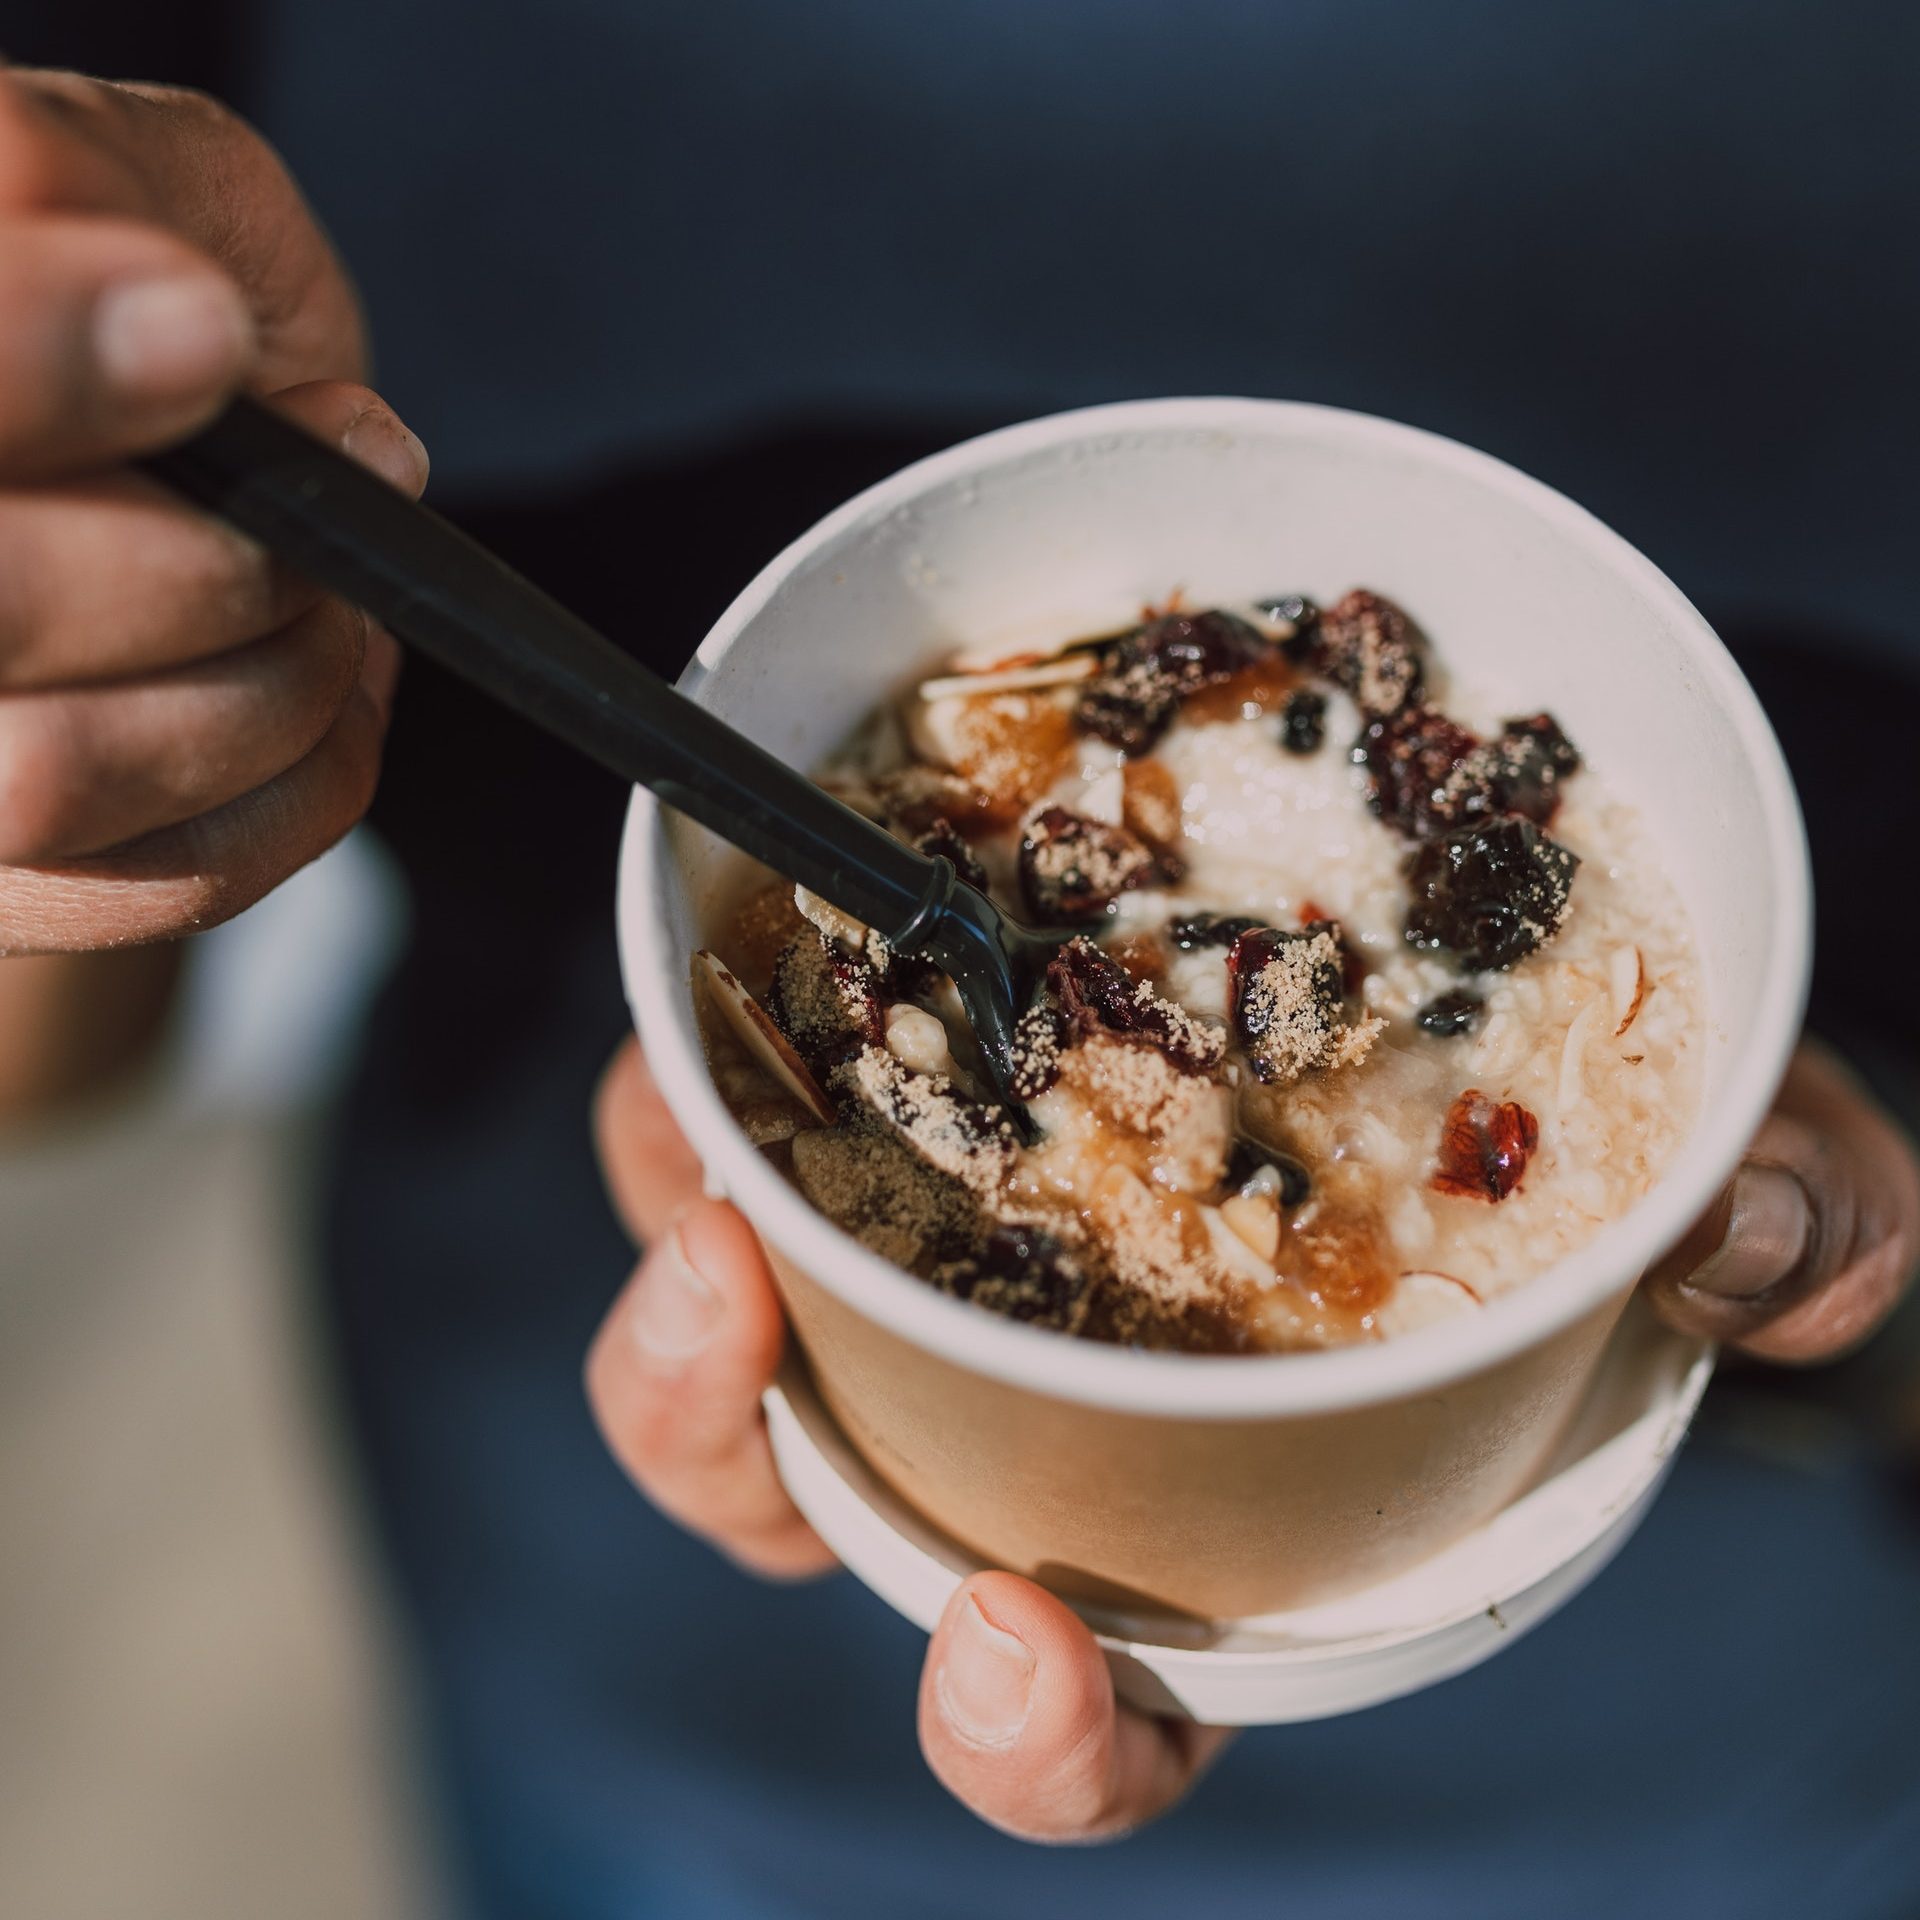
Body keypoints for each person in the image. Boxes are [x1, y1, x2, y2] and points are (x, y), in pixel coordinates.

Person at [2, 18, 1919, 1909]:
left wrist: (1860, 1316)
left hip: (1744, 1730)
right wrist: (80, 737)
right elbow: (52, 1061)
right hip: (630, 1668)